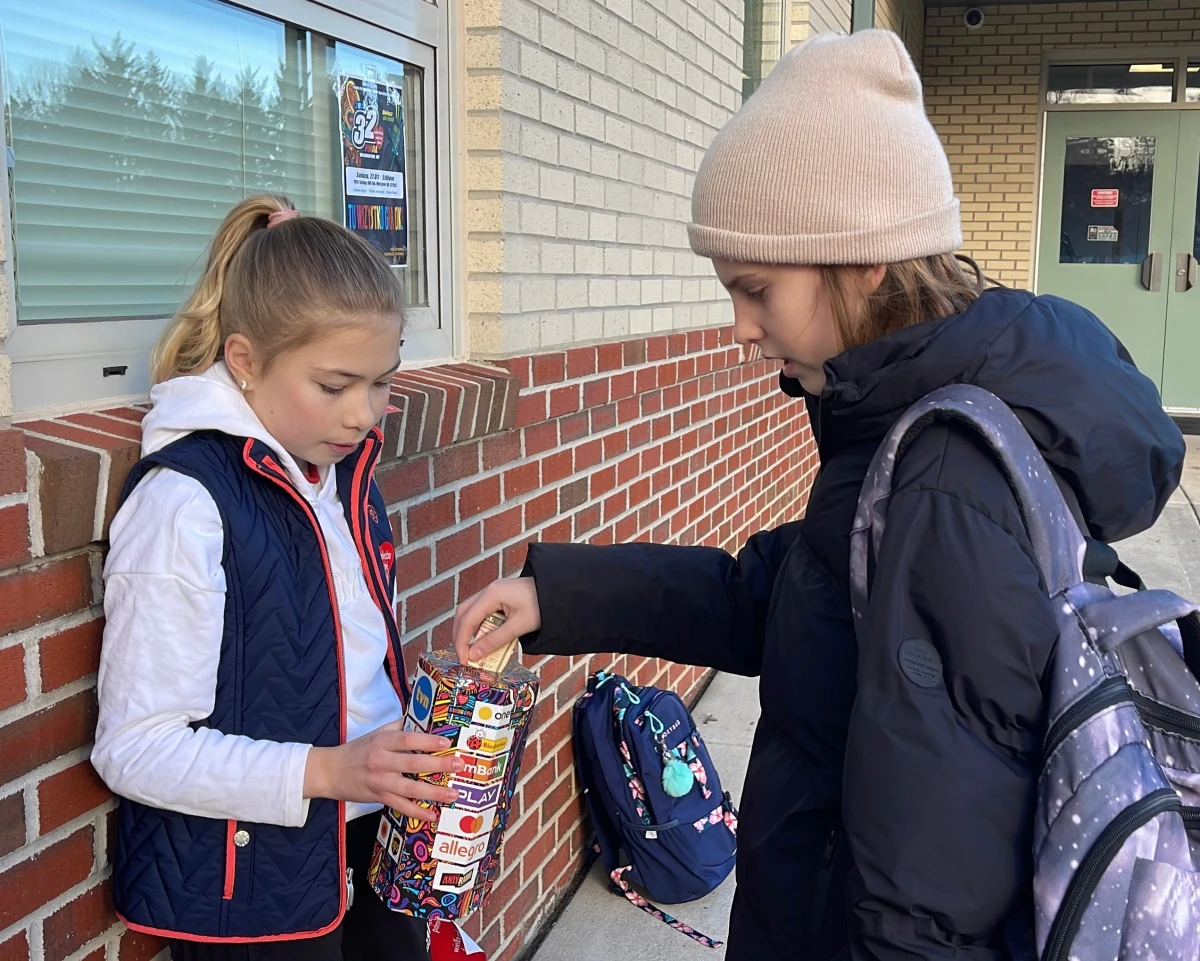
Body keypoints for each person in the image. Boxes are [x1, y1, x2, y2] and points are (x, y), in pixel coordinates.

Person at [452, 30, 1187, 961]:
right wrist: (561, 595)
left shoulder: (941, 476)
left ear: (862, 259)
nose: (741, 327)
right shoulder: (901, 418)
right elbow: (790, 595)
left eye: (756, 288)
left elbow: (926, 884)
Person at [92, 195, 461, 961]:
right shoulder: (184, 501)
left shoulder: (341, 477)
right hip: (254, 894)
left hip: (371, 846)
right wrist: (330, 768)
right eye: (334, 385)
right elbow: (135, 746)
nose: (364, 413)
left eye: (383, 382)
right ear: (245, 360)